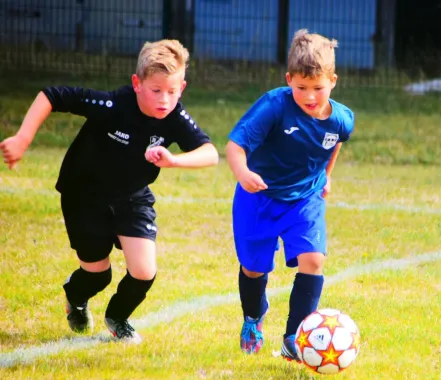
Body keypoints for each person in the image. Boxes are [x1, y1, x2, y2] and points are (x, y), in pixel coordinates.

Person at [0, 39, 219, 343]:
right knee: (97, 274)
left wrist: (174, 160)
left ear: (182, 87)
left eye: (172, 91)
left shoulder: (174, 117)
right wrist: (23, 139)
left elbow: (210, 153)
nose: (164, 100)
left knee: (144, 270)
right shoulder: (113, 105)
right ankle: (76, 298)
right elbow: (51, 95)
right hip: (84, 196)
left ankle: (118, 317)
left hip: (132, 196)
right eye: (156, 90)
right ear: (137, 83)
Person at [225, 29, 354, 361]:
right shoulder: (273, 106)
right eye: (301, 88)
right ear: (289, 79)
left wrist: (325, 177)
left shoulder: (341, 118)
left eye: (318, 88)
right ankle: (253, 317)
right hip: (259, 197)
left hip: (305, 198)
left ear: (333, 81)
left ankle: (294, 339)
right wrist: (244, 174)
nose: (310, 96)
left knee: (314, 259)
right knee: (253, 268)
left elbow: (335, 141)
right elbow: (235, 146)